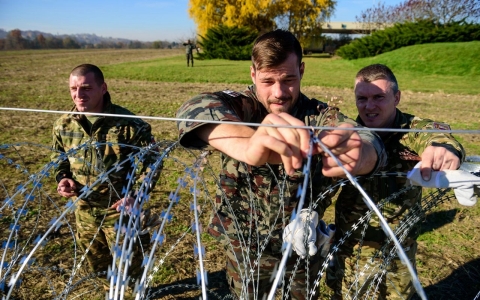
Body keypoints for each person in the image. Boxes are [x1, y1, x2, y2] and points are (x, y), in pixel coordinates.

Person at [176, 30, 387, 300]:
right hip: (246, 244)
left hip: (303, 244)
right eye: (268, 81)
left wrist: (362, 154)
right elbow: (193, 108)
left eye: (288, 79)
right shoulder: (242, 107)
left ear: (301, 70)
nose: (278, 93)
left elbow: (366, 138)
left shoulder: (319, 115)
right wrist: (250, 145)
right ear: (253, 75)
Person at [326, 64, 466, 299]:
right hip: (350, 248)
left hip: (397, 251)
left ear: (397, 97)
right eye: (362, 98)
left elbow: (438, 137)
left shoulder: (412, 129)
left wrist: (443, 149)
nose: (369, 106)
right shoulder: (350, 133)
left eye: (379, 97)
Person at [51, 64, 160, 290]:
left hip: (119, 210)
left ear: (103, 88)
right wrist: (62, 178)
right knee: (98, 267)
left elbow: (153, 161)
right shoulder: (64, 124)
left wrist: (136, 196)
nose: (78, 95)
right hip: (84, 209)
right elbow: (59, 157)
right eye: (73, 88)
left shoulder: (128, 124)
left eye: (86, 88)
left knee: (130, 269)